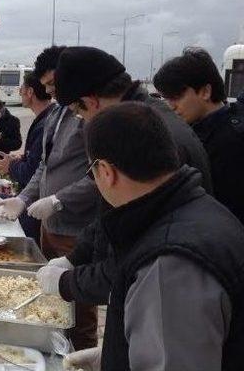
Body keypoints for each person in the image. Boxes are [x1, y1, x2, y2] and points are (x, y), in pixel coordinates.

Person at [63, 102, 244, 371]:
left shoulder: (168, 263)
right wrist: (117, 353)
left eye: (92, 172)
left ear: (106, 172)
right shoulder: (202, 210)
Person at [35, 46, 213, 310]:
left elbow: (138, 254)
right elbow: (115, 215)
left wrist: (70, 283)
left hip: (167, 301)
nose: (83, 121)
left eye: (79, 112)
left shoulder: (147, 133)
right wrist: (77, 257)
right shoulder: (136, 118)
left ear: (91, 101)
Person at [0, 46, 99, 350]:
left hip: (77, 230)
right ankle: (54, 350)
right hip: (49, 226)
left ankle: (80, 357)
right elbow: (45, 164)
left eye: (53, 84)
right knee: (52, 301)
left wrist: (58, 199)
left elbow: (98, 176)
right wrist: (25, 199)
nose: (50, 91)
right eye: (48, 86)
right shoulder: (56, 114)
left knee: (79, 313)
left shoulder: (89, 117)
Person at [154, 47, 244, 223]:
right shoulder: (192, 131)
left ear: (205, 92)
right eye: (166, 98)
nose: (170, 106)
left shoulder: (232, 142)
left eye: (177, 96)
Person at [0, 72, 55, 241]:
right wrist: (22, 158)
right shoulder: (46, 118)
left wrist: (10, 167)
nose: (19, 92)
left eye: (21, 88)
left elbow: (32, 171)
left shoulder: (46, 123)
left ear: (29, 92)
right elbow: (38, 158)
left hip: (34, 202)